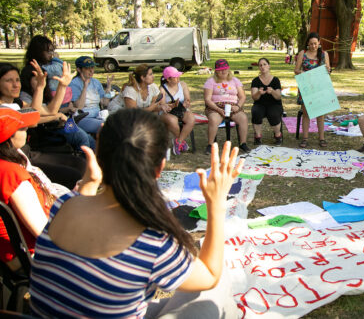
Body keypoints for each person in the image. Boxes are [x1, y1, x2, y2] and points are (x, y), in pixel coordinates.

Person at [29, 109, 244, 317]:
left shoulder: (64, 204)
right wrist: (216, 204)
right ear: (159, 169)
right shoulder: (152, 242)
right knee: (218, 285)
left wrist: (89, 183)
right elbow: (210, 276)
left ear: (99, 150)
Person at [0, 107, 63, 270]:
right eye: (21, 128)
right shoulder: (11, 173)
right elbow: (45, 233)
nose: (27, 129)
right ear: (8, 138)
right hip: (28, 255)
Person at [19, 62, 95, 152]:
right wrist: (55, 117)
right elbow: (34, 117)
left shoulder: (42, 91)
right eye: (36, 79)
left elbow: (49, 110)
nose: (41, 82)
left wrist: (65, 108)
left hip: (59, 123)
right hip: (47, 131)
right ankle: (83, 161)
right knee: (81, 137)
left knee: (89, 138)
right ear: (27, 81)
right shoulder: (24, 97)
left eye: (43, 79)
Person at [203, 59, 250, 154]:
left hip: (233, 106)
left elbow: (242, 96)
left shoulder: (235, 80)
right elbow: (207, 99)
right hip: (215, 107)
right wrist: (218, 109)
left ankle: (243, 143)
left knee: (243, 118)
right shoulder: (211, 81)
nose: (223, 71)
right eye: (220, 70)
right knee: (213, 119)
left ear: (228, 69)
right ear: (216, 71)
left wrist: (238, 106)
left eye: (225, 69)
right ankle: (210, 144)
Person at [294, 32, 331, 148]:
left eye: (315, 43)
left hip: (320, 87)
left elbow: (328, 70)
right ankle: (305, 138)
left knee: (320, 114)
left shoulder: (324, 54)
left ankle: (322, 138)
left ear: (319, 43)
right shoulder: (302, 54)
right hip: (306, 87)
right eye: (311, 44)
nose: (313, 46)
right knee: (306, 114)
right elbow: (296, 70)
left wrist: (328, 70)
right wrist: (303, 73)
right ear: (307, 44)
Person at [68, 56, 112, 134]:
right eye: (87, 68)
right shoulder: (74, 84)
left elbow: (104, 103)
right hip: (83, 118)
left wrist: (108, 88)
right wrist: (85, 86)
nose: (91, 71)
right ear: (79, 69)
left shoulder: (96, 82)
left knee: (119, 122)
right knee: (106, 127)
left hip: (98, 116)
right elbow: (79, 107)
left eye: (92, 67)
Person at [160, 66, 195, 155]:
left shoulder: (182, 84)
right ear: (168, 79)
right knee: (172, 120)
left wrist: (186, 102)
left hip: (181, 109)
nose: (178, 78)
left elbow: (187, 98)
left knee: (191, 119)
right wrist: (171, 105)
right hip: (168, 112)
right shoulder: (162, 88)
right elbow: (162, 104)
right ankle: (181, 142)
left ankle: (179, 141)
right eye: (175, 77)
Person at [24, 35, 70, 101]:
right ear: (39, 51)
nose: (51, 54)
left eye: (52, 51)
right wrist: (56, 60)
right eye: (49, 51)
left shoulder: (48, 64)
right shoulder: (34, 68)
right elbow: (57, 71)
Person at [250, 58, 283, 145]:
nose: (262, 67)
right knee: (256, 112)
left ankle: (278, 135)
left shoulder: (275, 80)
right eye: (260, 65)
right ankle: (257, 136)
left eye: (264, 64)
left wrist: (272, 91)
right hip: (260, 104)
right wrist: (259, 93)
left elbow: (278, 97)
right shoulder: (255, 81)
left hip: (274, 103)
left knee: (273, 114)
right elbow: (254, 98)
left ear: (269, 66)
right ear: (259, 68)